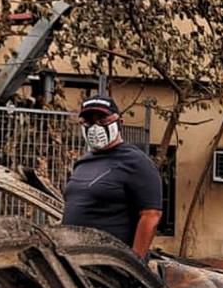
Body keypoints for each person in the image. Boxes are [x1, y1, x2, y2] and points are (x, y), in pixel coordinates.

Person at [63, 96, 163, 257]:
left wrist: (134, 261)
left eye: (102, 120)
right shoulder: (82, 162)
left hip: (110, 262)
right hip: (74, 258)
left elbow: (151, 215)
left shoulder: (136, 162)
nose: (95, 127)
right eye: (88, 122)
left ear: (119, 123)